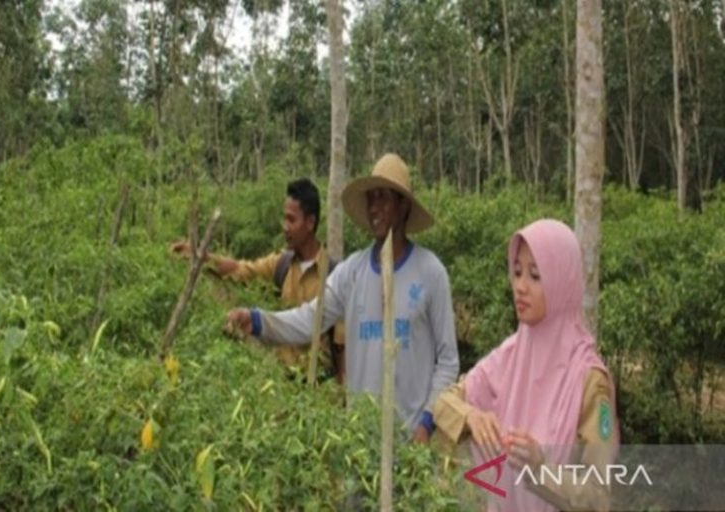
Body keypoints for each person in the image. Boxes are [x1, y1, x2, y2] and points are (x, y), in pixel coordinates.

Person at [226, 153, 460, 443]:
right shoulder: (352, 272)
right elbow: (309, 318)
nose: (374, 207)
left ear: (403, 206)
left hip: (412, 444)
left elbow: (448, 360)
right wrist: (258, 321)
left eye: (384, 198)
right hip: (359, 446)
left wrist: (426, 423)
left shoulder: (430, 273)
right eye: (371, 198)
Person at [433, 219, 618, 511]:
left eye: (535, 275)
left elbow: (598, 497)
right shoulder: (509, 356)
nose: (520, 286)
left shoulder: (588, 379)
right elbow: (443, 404)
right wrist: (470, 416)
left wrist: (540, 468)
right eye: (517, 272)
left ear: (561, 282)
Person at [170, 178, 345, 383]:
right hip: (283, 387)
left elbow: (342, 349)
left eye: (291, 220)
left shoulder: (335, 275)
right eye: (284, 219)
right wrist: (201, 257)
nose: (285, 227)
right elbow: (240, 269)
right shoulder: (282, 264)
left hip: (321, 394)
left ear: (310, 222)